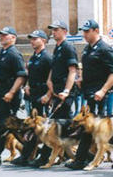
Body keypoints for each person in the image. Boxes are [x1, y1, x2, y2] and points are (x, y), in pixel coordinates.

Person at [66, 19, 113, 170]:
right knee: (91, 129)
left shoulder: (104, 48)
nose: (84, 34)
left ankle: (80, 159)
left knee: (96, 129)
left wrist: (103, 90)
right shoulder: (88, 49)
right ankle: (84, 158)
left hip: (100, 96)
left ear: (96, 31)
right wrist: (82, 79)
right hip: (89, 93)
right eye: (83, 31)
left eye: (87, 31)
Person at [28, 20, 78, 168]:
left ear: (64, 31)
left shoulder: (68, 47)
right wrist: (49, 82)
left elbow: (72, 71)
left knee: (56, 127)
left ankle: (45, 158)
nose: (53, 32)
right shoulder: (57, 47)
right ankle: (77, 156)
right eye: (52, 30)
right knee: (65, 128)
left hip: (64, 92)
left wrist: (67, 91)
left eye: (56, 30)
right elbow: (54, 69)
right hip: (56, 91)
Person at [0, 27, 27, 166]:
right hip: (0, 94)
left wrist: (12, 92)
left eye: (5, 35)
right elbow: (2, 71)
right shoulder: (3, 52)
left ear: (13, 38)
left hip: (9, 96)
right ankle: (30, 152)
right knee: (9, 127)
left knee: (3, 126)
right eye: (0, 35)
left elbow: (21, 76)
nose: (1, 37)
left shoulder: (14, 54)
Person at [11, 29, 52, 167]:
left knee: (43, 129)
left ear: (44, 40)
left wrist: (48, 95)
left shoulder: (47, 57)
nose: (32, 41)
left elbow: (51, 78)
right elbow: (30, 74)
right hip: (33, 95)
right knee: (32, 128)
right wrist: (27, 85)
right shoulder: (34, 56)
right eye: (31, 39)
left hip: (43, 96)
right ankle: (28, 155)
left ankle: (42, 156)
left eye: (35, 39)